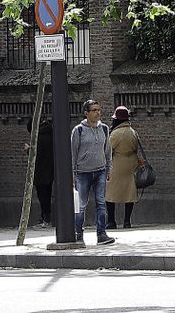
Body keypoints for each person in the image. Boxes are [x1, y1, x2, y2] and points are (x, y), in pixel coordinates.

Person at [71, 99, 115, 245]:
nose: (98, 113)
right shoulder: (79, 130)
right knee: (81, 205)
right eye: (94, 110)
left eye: (99, 110)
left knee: (101, 203)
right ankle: (78, 235)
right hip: (83, 172)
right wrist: (73, 174)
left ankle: (101, 234)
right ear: (86, 113)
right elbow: (73, 153)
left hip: (100, 170)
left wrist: (109, 168)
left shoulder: (104, 129)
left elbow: (107, 150)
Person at [106, 105, 146, 230]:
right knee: (129, 193)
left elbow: (108, 150)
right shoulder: (133, 132)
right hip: (131, 165)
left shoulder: (116, 133)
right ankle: (127, 221)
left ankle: (111, 221)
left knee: (110, 193)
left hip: (117, 164)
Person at [33, 120, 55, 226]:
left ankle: (46, 219)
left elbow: (36, 154)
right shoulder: (52, 135)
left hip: (40, 171)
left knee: (42, 196)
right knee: (47, 193)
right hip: (50, 170)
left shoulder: (38, 137)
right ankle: (46, 218)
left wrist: (29, 149)